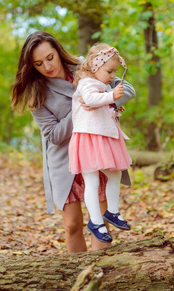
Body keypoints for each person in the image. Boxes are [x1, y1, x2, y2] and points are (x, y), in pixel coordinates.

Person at [10, 31, 135, 253]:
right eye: (39, 64)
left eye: (50, 57)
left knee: (102, 221)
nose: (47, 66)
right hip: (64, 158)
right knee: (72, 224)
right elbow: (55, 135)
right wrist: (80, 107)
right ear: (32, 66)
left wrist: (108, 102)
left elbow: (127, 89)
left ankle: (98, 272)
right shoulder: (37, 93)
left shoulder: (84, 66)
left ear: (58, 51)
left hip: (97, 149)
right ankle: (76, 274)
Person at [68, 43, 133, 243]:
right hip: (88, 137)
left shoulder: (102, 84)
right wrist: (110, 96)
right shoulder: (87, 83)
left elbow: (101, 106)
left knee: (114, 174)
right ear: (95, 67)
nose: (113, 75)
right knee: (92, 180)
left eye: (115, 71)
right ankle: (95, 221)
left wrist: (112, 105)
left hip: (102, 136)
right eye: (109, 71)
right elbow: (90, 99)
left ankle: (112, 211)